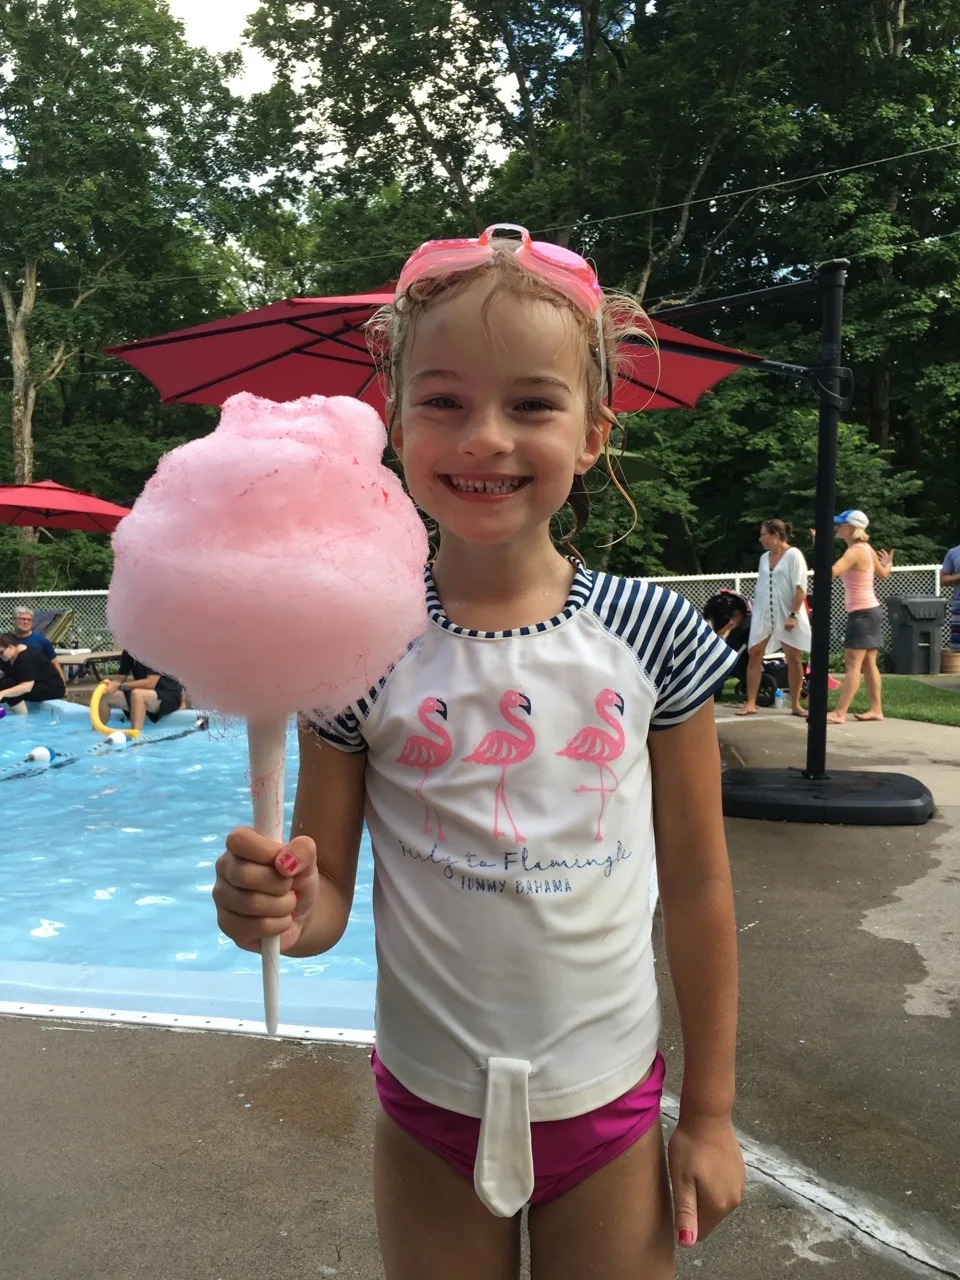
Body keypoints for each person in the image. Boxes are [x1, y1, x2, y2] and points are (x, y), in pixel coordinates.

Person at [213, 224, 744, 1279]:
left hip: (606, 1098)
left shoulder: (654, 636)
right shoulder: (353, 650)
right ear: (395, 423)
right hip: (428, 1106)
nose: (484, 436)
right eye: (445, 400)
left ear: (594, 433)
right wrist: (273, 901)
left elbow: (695, 883)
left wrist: (713, 1113)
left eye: (532, 404)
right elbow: (321, 909)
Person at [815, 510, 893, 724]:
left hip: (862, 614)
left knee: (852, 665)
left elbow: (830, 572)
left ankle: (840, 713)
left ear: (851, 528)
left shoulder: (855, 552)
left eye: (840, 524)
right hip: (872, 611)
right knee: (869, 663)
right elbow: (884, 574)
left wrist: (819, 546)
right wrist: (888, 563)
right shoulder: (866, 549)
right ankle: (876, 709)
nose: (837, 527)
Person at [736, 519, 812, 717]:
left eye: (763, 534)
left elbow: (800, 588)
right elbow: (762, 586)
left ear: (775, 536)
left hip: (787, 612)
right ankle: (751, 702)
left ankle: (795, 704)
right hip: (765, 613)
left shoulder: (794, 555)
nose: (760, 538)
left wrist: (793, 615)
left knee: (793, 658)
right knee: (754, 653)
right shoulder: (764, 558)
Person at [99, 650, 185, 733]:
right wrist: (109, 685)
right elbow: (119, 679)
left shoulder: (154, 650)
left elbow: (151, 683)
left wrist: (121, 686)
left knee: (137, 694)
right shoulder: (128, 651)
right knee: (105, 695)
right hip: (146, 693)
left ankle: (135, 738)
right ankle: (96, 733)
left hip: (169, 694)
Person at [0, 631, 67, 713]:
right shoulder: (8, 656)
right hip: (35, 685)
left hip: (51, 689)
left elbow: (27, 687)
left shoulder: (25, 657)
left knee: (7, 685)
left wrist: (2, 693)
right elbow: (2, 673)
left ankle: (22, 718)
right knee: (5, 683)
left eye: (0, 652)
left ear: (10, 647)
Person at [4, 606, 66, 686]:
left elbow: (55, 664)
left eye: (29, 619)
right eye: (22, 619)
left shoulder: (42, 641)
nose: (26, 622)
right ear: (14, 620)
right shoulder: (5, 640)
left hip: (36, 684)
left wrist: (63, 685)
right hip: (11, 681)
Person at [942, 540, 960, 652]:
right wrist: (958, 577)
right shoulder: (954, 552)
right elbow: (943, 580)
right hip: (959, 605)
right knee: (958, 650)